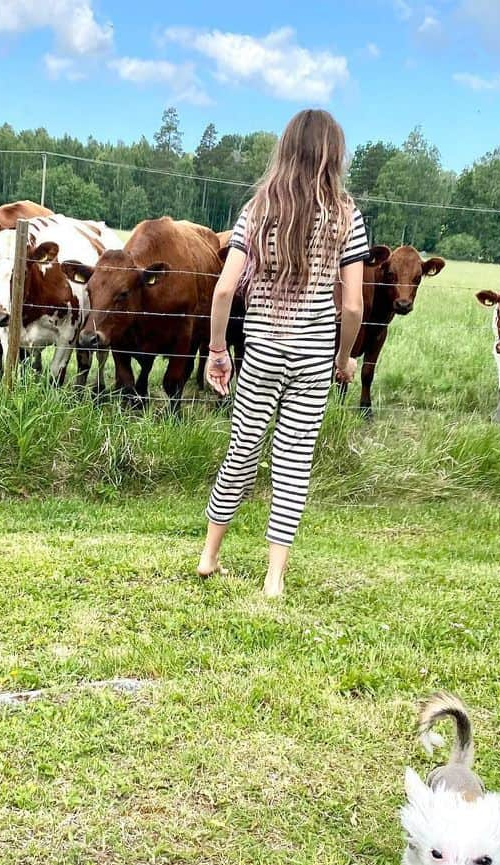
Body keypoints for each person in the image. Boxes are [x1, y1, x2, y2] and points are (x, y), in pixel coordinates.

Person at [197, 109, 368, 597]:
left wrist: (216, 350)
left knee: (241, 452)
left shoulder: (257, 210)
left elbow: (225, 289)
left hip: (262, 351)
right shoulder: (346, 217)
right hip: (314, 357)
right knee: (294, 463)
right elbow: (352, 305)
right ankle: (274, 579)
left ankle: (210, 556)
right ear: (333, 154)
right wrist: (343, 356)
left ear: (285, 148)